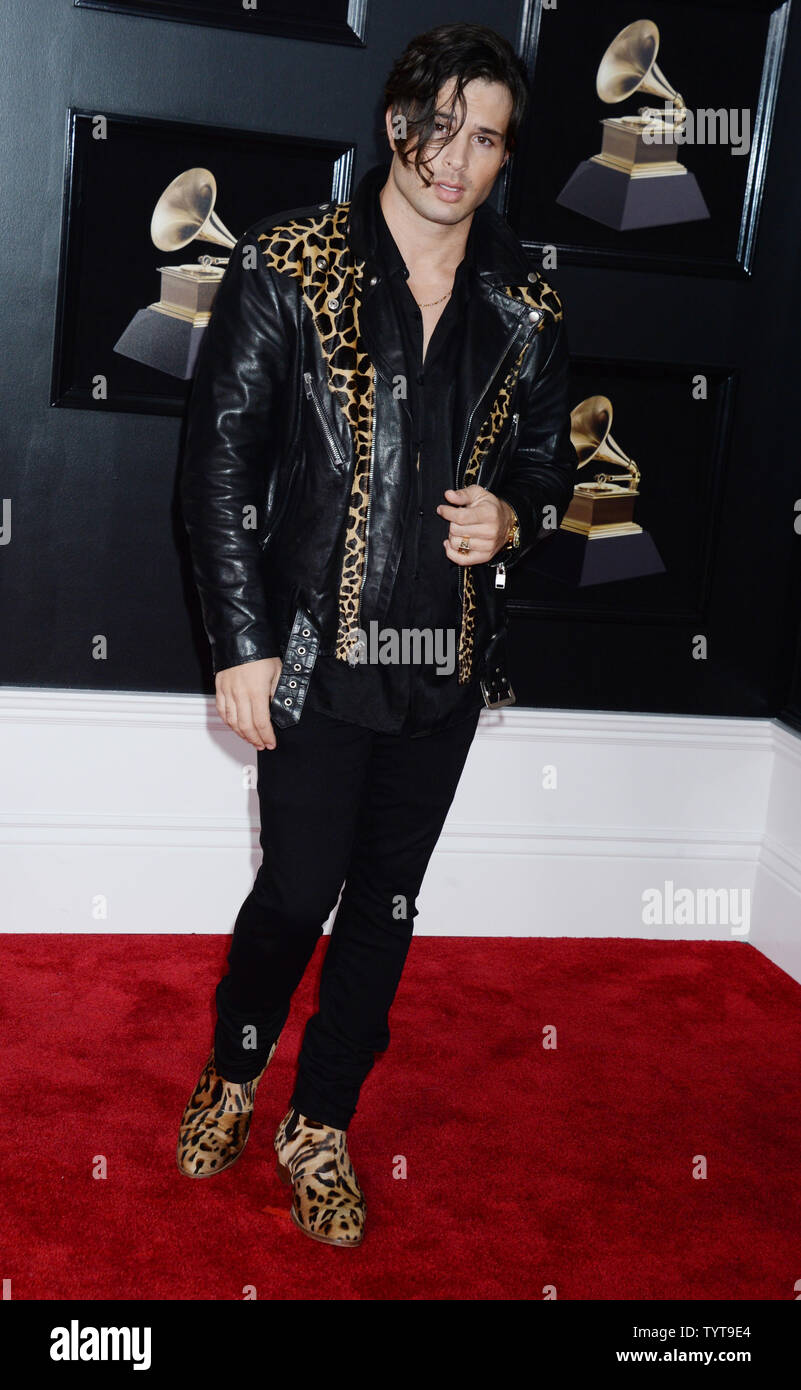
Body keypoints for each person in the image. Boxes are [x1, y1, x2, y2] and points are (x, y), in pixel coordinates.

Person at [177, 21, 579, 1248]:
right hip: (310, 657)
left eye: (488, 139)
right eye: (440, 126)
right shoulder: (287, 265)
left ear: (508, 159)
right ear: (397, 122)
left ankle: (323, 1121)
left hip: (442, 669)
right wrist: (242, 644)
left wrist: (516, 517)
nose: (456, 159)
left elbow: (553, 473)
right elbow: (217, 468)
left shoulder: (527, 305)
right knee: (299, 892)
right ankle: (236, 1066)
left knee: (387, 906)